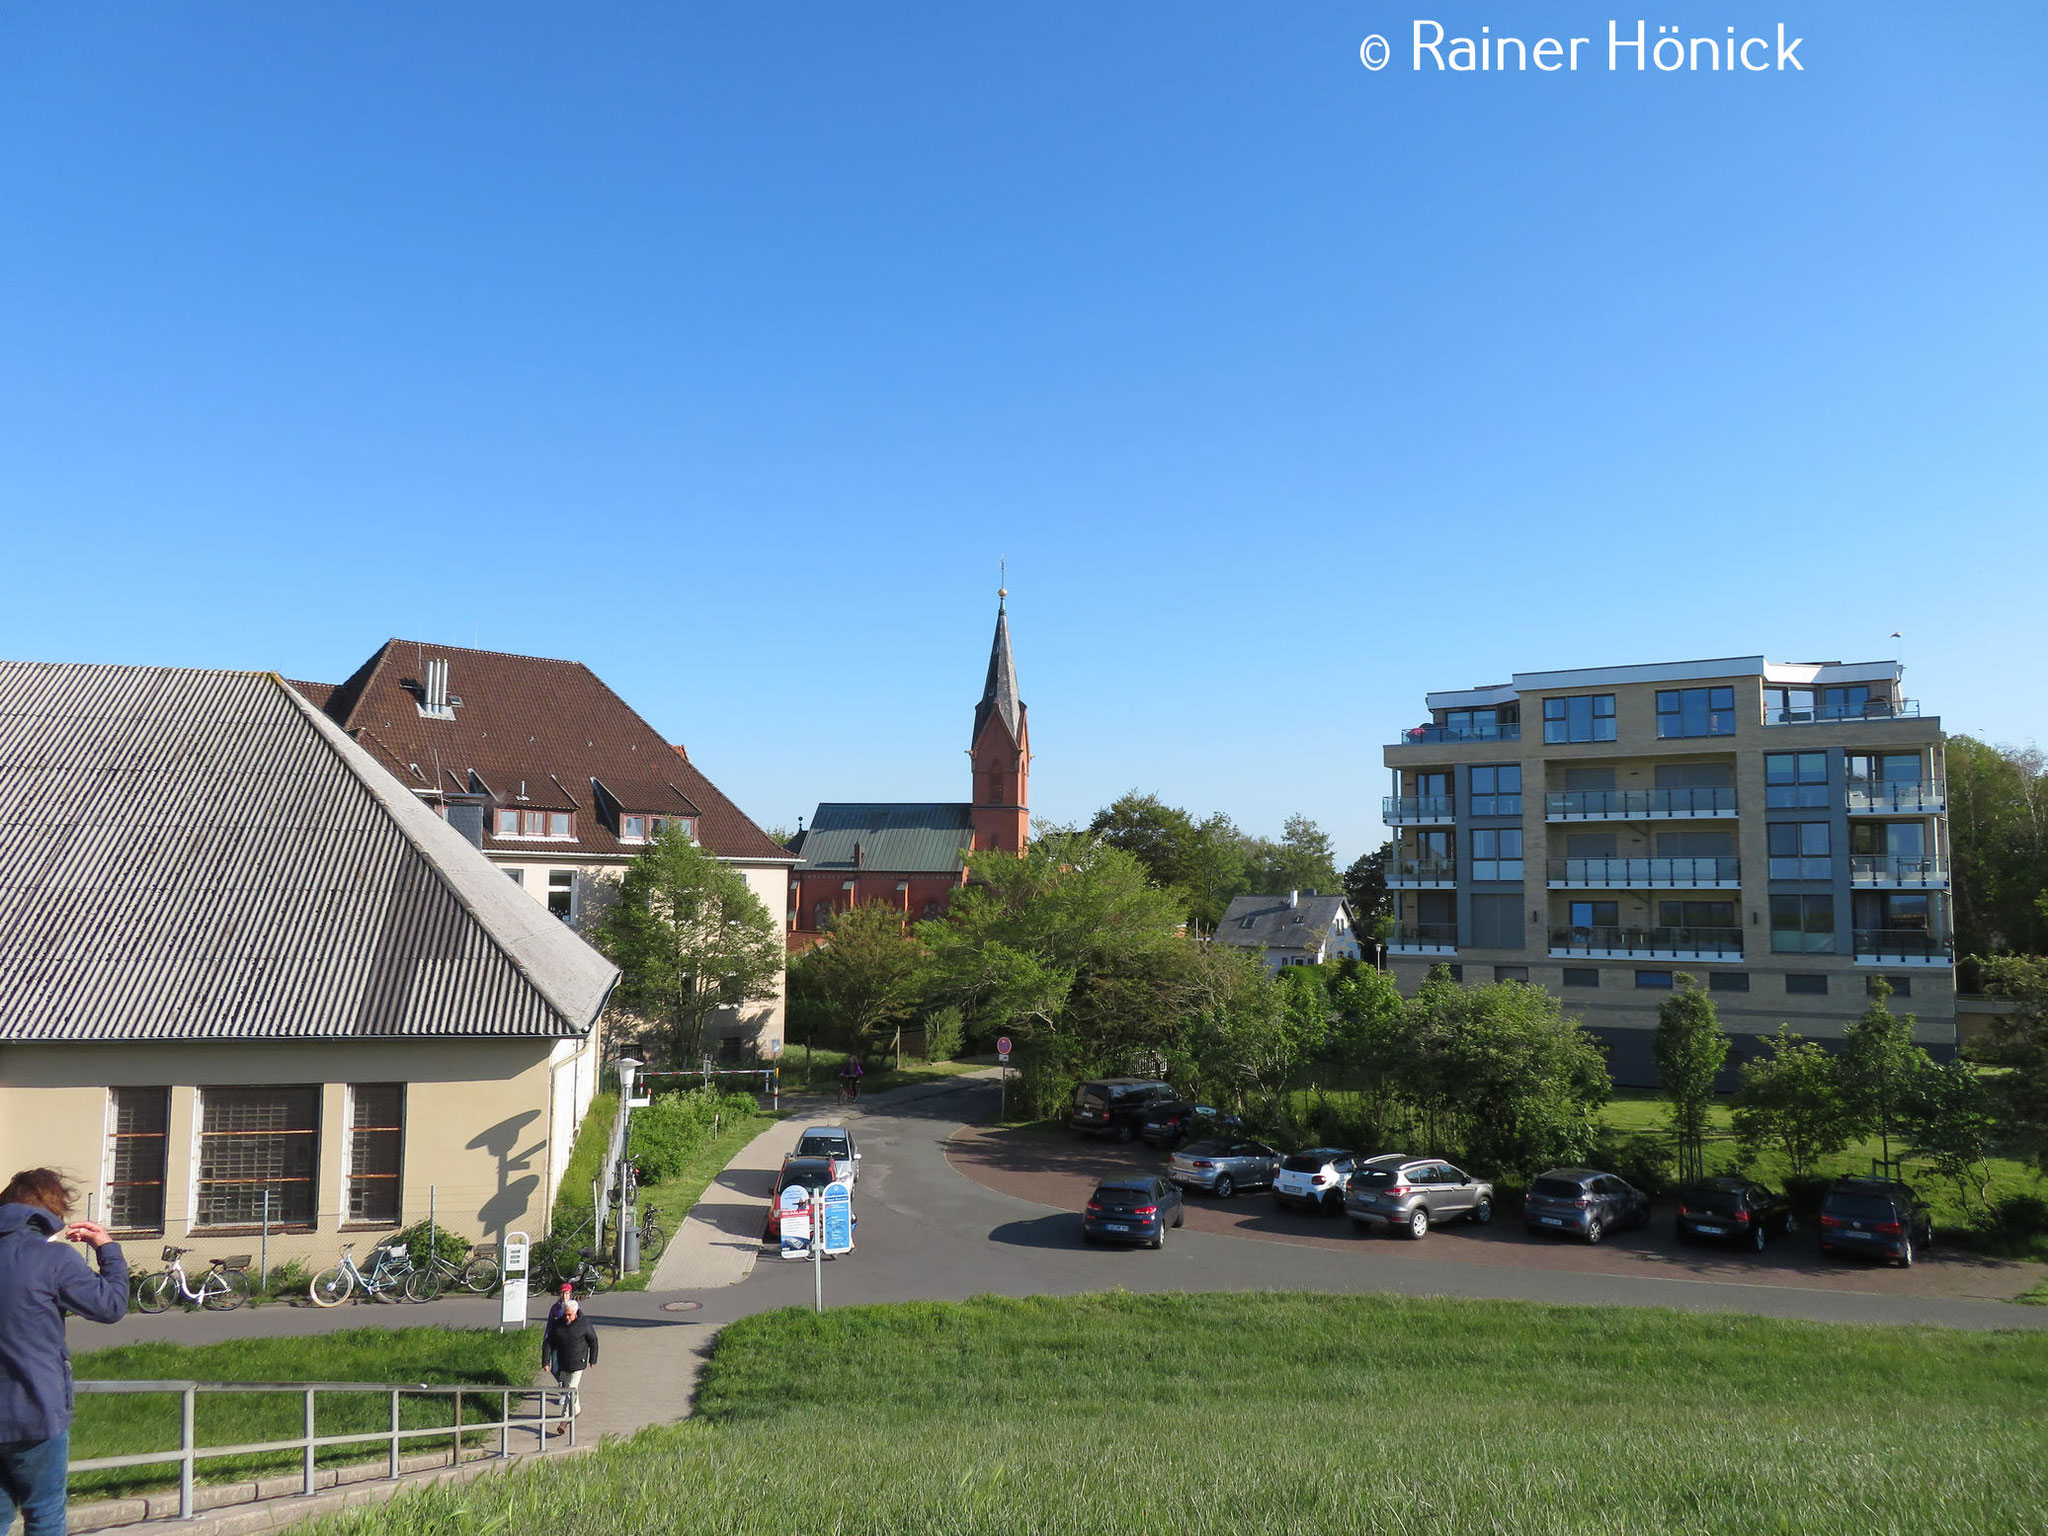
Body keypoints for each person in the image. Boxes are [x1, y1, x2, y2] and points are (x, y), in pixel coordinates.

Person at [1, 1168, 130, 1536]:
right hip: (35, 1411)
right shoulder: (54, 1259)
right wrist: (107, 1248)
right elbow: (110, 1307)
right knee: (44, 1514)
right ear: (52, 1211)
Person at [539, 1296, 598, 1437]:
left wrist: (593, 1359)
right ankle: (576, 1410)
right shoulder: (557, 1325)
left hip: (578, 1363)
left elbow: (593, 1341)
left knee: (571, 1390)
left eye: (569, 1315)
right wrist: (546, 1362)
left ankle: (564, 1421)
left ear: (576, 1312)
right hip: (563, 1363)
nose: (567, 1317)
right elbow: (548, 1344)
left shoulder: (584, 1324)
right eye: (565, 1314)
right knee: (570, 1389)